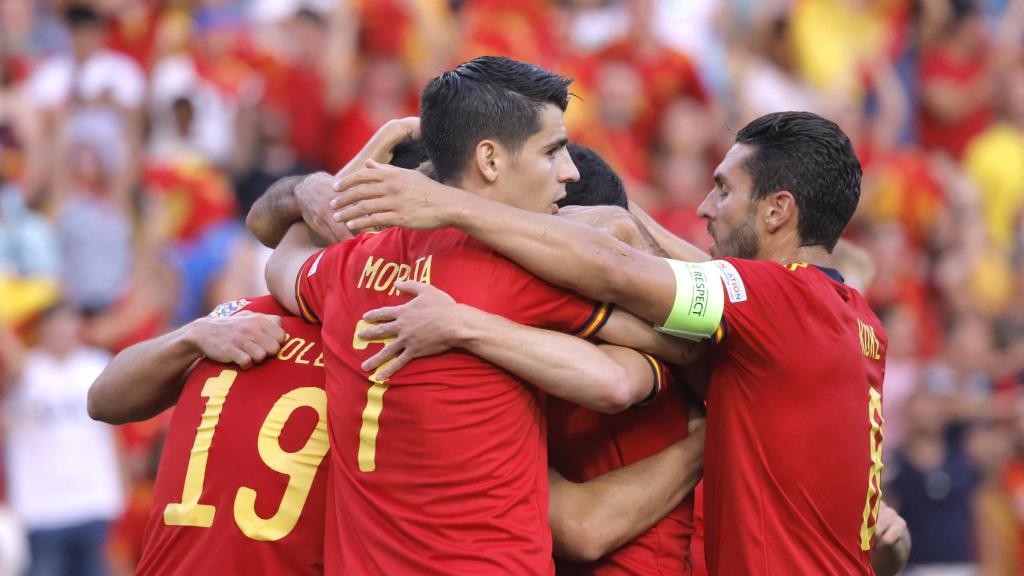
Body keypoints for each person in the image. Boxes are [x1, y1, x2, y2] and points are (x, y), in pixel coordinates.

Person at [332, 109, 888, 574]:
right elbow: (647, 254)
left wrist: (450, 208)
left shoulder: (779, 303)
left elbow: (616, 270)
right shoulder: (850, 318)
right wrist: (623, 215)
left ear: (777, 210)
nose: (703, 207)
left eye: (724, 188)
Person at [260, 56, 699, 574]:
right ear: (489, 161)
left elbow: (278, 262)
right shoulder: (518, 273)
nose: (570, 170)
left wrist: (319, 185)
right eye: (553, 150)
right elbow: (680, 343)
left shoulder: (347, 267)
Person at [2, 303, 123, 576]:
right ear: (41, 329)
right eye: (55, 323)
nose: (62, 330)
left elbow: (115, 433)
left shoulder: (98, 364)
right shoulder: (27, 369)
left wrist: (121, 488)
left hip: (94, 499)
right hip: (41, 508)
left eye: (69, 321)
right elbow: (16, 365)